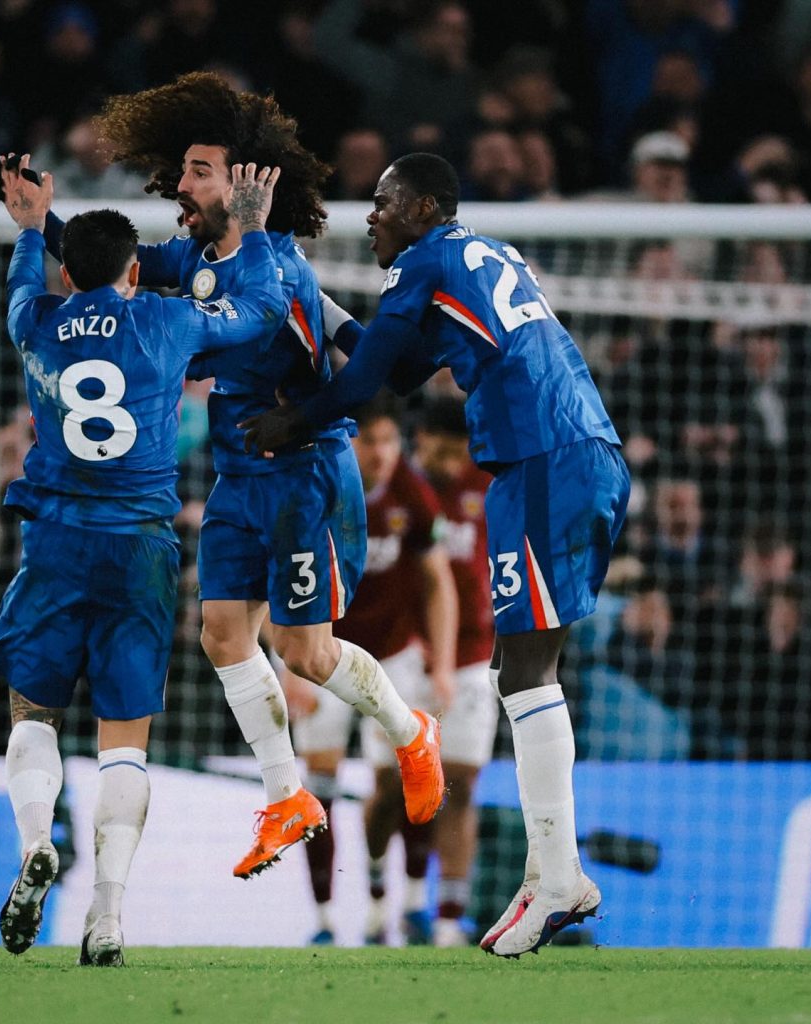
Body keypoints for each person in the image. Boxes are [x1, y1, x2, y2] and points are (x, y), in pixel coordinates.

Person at [13, 72, 445, 882]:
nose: (180, 185)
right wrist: (46, 221)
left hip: (303, 476)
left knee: (305, 654)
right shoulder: (196, 257)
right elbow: (113, 268)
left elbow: (258, 327)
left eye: (198, 171)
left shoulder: (275, 268)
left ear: (247, 182)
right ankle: (287, 795)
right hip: (238, 476)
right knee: (220, 633)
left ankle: (410, 731)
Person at [242, 152, 631, 957]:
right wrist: (317, 305)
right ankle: (549, 869)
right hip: (578, 450)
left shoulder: (423, 260)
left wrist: (293, 422)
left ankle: (559, 876)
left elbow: (362, 389)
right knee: (521, 668)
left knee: (525, 671)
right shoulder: (475, 255)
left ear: (422, 205)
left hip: (543, 457)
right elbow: (405, 372)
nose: (371, 217)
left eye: (383, 203)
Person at [0, 153, 289, 966]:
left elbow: (24, 283)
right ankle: (109, 917)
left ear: (65, 270)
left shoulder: (37, 323)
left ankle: (33, 847)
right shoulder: (166, 321)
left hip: (54, 540)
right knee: (125, 743)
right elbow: (260, 311)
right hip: (142, 549)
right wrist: (254, 230)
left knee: (33, 714)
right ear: (133, 269)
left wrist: (29, 227)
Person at [283, 392, 457, 945]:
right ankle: (325, 921)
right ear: (347, 440)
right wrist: (288, 663)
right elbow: (273, 582)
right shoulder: (316, 487)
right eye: (368, 440)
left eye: (388, 440)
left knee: (407, 778)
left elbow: (438, 583)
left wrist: (445, 663)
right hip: (324, 654)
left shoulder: (413, 492)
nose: (380, 452)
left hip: (394, 656)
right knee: (321, 785)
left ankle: (403, 903)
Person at [410, 396, 499, 947]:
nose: (444, 463)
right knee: (405, 786)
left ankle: (448, 917)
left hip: (472, 655)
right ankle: (402, 899)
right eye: (434, 451)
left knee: (461, 782)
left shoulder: (488, 487)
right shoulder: (403, 492)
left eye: (453, 452)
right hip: (405, 654)